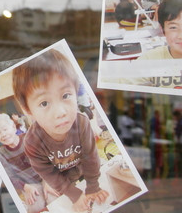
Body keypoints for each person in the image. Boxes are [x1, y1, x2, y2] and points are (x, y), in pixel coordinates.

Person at [12, 48, 109, 212]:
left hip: (86, 169)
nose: (61, 112)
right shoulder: (32, 142)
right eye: (44, 103)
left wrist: (93, 185)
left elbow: (91, 157)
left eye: (66, 96)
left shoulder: (82, 123)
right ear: (27, 109)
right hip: (61, 180)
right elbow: (49, 174)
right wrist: (75, 194)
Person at [0, 112, 54, 213]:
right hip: (29, 185)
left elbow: (48, 159)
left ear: (13, 127)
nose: (3, 134)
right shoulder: (2, 153)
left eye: (5, 129)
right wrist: (25, 187)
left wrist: (48, 181)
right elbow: (10, 176)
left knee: (54, 199)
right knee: (35, 208)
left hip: (46, 177)